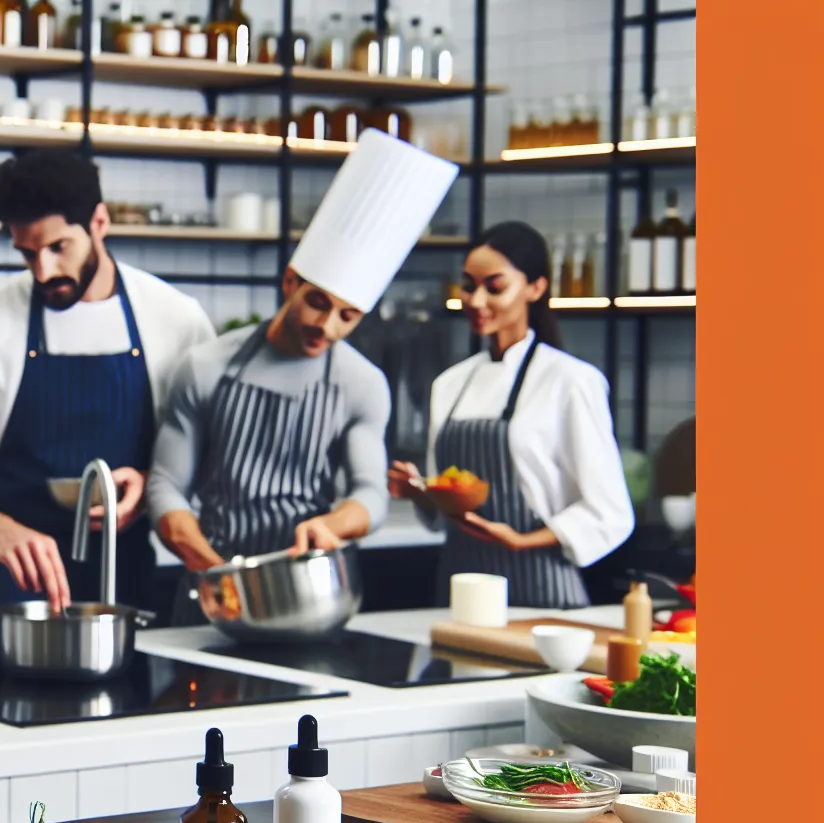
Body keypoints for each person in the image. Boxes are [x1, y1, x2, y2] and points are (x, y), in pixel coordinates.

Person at [147, 130, 458, 622]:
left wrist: (335, 524)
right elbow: (165, 484)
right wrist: (213, 570)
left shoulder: (362, 383)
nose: (327, 326)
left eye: (348, 316)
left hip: (311, 590)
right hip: (210, 588)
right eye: (317, 302)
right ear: (290, 280)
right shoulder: (206, 366)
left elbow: (370, 492)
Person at [0, 149, 217, 620]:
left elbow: (212, 456)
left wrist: (155, 483)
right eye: (28, 253)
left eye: (58, 248)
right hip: (10, 592)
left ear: (99, 222)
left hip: (125, 583)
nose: (43, 272)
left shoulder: (176, 320)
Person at [389, 222, 633, 608]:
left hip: (542, 591)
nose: (476, 299)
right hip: (461, 592)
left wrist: (522, 540)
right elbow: (442, 515)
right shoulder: (450, 384)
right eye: (469, 286)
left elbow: (610, 512)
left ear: (536, 288)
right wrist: (420, 492)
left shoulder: (570, 381)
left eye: (495, 287)